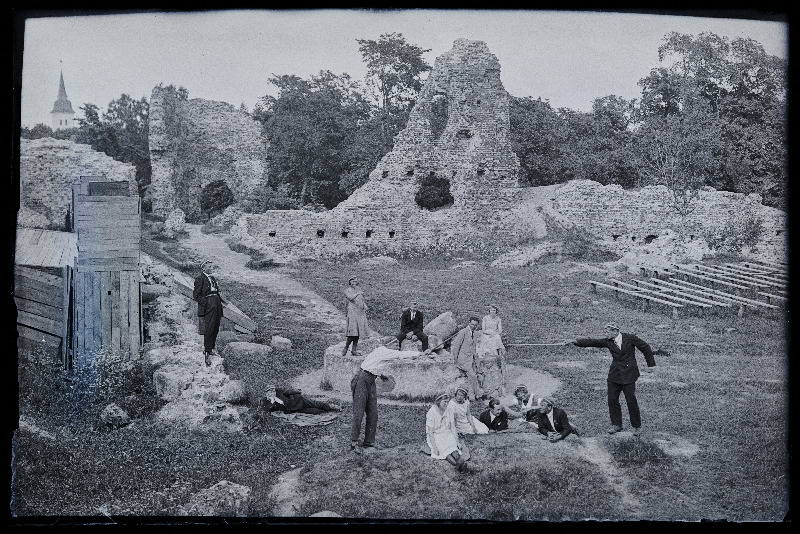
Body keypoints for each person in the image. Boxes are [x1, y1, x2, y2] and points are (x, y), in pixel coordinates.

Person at [565, 322, 656, 436]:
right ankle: (616, 425)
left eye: (607, 331)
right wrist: (576, 342)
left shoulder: (630, 338)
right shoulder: (608, 341)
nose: (605, 333)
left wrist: (651, 365)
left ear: (615, 331)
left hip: (629, 375)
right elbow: (594, 342)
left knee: (631, 401)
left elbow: (645, 347)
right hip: (614, 376)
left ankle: (636, 427)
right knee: (612, 400)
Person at [350, 347, 420, 453]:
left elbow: (373, 364)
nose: (397, 345)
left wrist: (381, 375)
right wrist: (421, 353)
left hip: (371, 380)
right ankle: (354, 443)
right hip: (361, 380)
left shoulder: (381, 352)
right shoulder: (384, 351)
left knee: (373, 413)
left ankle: (369, 443)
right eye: (396, 342)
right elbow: (400, 355)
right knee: (358, 413)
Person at [426, 392, 470, 472]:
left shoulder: (449, 409)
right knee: (445, 451)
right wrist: (435, 447)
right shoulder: (431, 412)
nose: (446, 404)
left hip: (447, 432)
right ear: (439, 401)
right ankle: (459, 466)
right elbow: (431, 432)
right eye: (444, 402)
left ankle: (461, 464)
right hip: (436, 435)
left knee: (453, 449)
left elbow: (453, 427)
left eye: (447, 401)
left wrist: (457, 441)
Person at [193, 260, 224, 366]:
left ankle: (211, 348)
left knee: (216, 327)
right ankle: (206, 351)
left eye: (212, 266)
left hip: (216, 303)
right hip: (209, 304)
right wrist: (207, 303)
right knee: (209, 327)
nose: (211, 268)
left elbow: (217, 291)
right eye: (209, 266)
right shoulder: (200, 278)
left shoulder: (212, 278)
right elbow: (196, 295)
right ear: (203, 268)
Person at [450, 317, 483, 400]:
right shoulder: (463, 332)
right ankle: (478, 395)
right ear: (469, 323)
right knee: (473, 376)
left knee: (475, 375)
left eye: (475, 325)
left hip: (470, 359)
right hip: (462, 359)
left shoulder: (475, 334)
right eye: (472, 324)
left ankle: (472, 396)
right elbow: (456, 347)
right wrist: (456, 360)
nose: (473, 326)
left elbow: (474, 348)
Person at [265, 387, 341, 415]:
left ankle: (333, 407)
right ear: (267, 394)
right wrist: (272, 401)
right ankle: (326, 411)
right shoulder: (266, 401)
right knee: (315, 411)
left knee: (316, 403)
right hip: (295, 409)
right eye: (270, 392)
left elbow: (288, 391)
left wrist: (297, 392)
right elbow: (268, 409)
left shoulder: (279, 392)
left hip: (299, 400)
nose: (273, 393)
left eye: (273, 391)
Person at [343, 276, 369, 357]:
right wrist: (358, 293)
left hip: (360, 312)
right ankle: (346, 348)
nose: (355, 283)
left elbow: (361, 299)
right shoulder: (347, 290)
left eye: (356, 281)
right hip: (352, 312)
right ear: (350, 282)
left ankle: (354, 350)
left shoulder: (358, 289)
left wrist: (364, 305)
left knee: (357, 332)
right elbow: (350, 298)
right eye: (353, 281)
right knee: (352, 332)